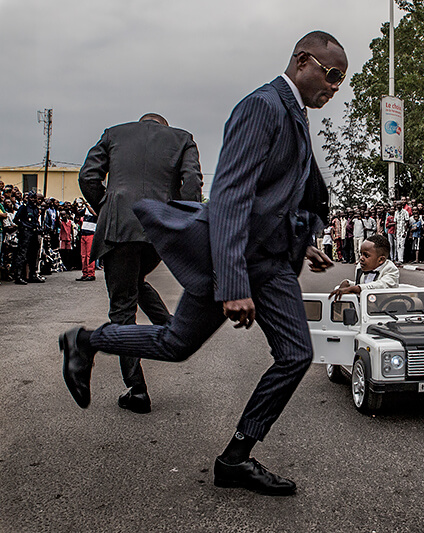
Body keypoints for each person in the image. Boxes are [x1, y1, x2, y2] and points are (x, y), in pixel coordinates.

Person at [60, 30, 344, 496]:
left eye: (340, 81)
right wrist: (233, 283)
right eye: (331, 74)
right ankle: (86, 340)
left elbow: (281, 195)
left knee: (294, 355)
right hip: (236, 261)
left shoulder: (295, 114)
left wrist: (305, 241)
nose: (334, 87)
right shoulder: (263, 106)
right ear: (302, 61)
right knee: (176, 344)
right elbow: (231, 196)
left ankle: (235, 458)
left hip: (270, 262)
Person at [78, 113, 203, 413]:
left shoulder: (114, 133)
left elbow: (88, 177)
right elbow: (192, 183)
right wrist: (181, 221)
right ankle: (169, 325)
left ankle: (137, 390)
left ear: (142, 122)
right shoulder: (182, 138)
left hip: (119, 226)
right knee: (135, 283)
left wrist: (107, 208)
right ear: (163, 125)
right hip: (158, 228)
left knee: (122, 307)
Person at [329, 234, 399, 300]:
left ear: (381, 260)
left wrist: (356, 288)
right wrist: (349, 284)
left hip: (384, 308)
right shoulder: (360, 267)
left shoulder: (390, 269)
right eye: (361, 254)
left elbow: (381, 285)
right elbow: (362, 284)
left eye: (366, 256)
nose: (361, 258)